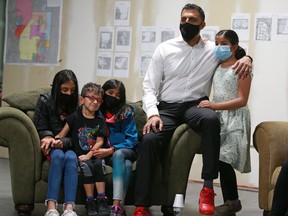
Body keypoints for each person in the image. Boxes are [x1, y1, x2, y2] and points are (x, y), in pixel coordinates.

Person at [133, 3, 253, 216]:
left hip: (195, 105)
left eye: (192, 20)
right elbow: (149, 87)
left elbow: (235, 51)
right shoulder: (165, 48)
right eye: (184, 19)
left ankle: (207, 188)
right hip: (167, 108)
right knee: (149, 140)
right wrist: (153, 113)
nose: (186, 23)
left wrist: (247, 58)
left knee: (210, 120)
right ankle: (141, 205)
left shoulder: (212, 50)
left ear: (202, 24)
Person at [198, 29, 252, 216]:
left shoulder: (241, 68)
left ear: (234, 46)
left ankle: (233, 201)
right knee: (220, 161)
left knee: (224, 159)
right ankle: (231, 202)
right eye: (217, 43)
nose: (219, 47)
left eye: (224, 44)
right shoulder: (216, 66)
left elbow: (242, 100)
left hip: (235, 119)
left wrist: (214, 105)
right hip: (220, 119)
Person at [56, 82, 110, 216]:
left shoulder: (100, 120)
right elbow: (62, 135)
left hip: (95, 154)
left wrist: (90, 154)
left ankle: (102, 199)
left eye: (98, 100)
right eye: (91, 98)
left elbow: (100, 141)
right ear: (82, 99)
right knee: (86, 167)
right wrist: (52, 140)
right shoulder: (75, 116)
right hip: (80, 155)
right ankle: (90, 201)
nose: (95, 102)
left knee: (99, 165)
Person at [34, 69, 79, 216]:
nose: (68, 93)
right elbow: (39, 125)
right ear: (56, 87)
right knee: (58, 156)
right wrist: (47, 136)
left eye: (72, 90)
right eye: (64, 90)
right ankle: (51, 207)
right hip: (52, 146)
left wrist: (63, 142)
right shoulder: (45, 101)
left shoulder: (78, 105)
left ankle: (69, 208)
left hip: (71, 145)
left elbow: (79, 134)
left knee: (71, 158)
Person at [92, 79, 139, 216]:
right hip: (106, 154)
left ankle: (115, 204)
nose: (113, 97)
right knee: (128, 166)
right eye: (110, 92)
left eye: (118, 95)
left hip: (126, 150)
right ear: (103, 93)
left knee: (120, 156)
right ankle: (120, 208)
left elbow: (133, 139)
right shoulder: (96, 110)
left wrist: (112, 149)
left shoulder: (126, 113)